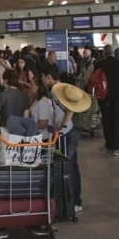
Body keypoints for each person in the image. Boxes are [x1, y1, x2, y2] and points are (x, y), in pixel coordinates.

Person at [42, 65, 89, 213]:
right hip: (70, 131)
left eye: (43, 77)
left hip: (67, 133)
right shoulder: (60, 88)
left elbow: (69, 108)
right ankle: (74, 200)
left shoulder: (57, 91)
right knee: (71, 166)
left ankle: (74, 201)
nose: (42, 80)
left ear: (48, 77)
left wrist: (62, 126)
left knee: (69, 166)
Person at [96, 45, 119, 156]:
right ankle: (116, 147)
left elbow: (95, 81)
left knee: (106, 121)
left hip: (105, 98)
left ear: (103, 53)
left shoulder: (99, 64)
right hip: (118, 97)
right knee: (116, 121)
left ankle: (108, 144)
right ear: (113, 53)